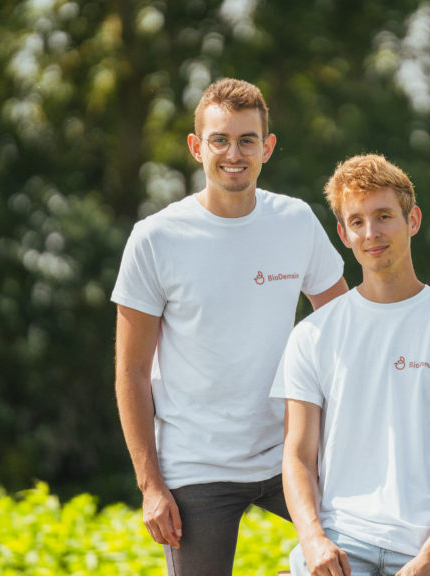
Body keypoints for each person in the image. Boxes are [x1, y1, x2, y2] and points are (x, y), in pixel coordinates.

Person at [111, 78, 348, 575]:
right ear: (197, 147)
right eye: (220, 139)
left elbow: (344, 334)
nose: (233, 153)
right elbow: (132, 372)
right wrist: (151, 486)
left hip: (291, 455)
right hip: (196, 466)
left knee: (362, 556)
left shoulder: (296, 222)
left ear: (268, 148)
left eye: (247, 140)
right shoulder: (155, 239)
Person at [271, 154, 430, 576]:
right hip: (340, 543)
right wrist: (312, 541)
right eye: (357, 221)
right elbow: (297, 456)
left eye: (384, 216)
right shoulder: (312, 336)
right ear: (343, 233)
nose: (372, 233)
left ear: (412, 219)